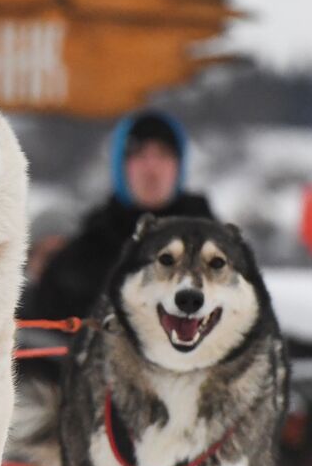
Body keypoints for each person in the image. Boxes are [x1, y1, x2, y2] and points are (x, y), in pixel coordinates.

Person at [20, 109, 214, 321]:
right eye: (139, 155)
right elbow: (39, 326)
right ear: (120, 165)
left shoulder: (215, 247)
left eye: (163, 154)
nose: (151, 167)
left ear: (179, 165)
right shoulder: (83, 254)